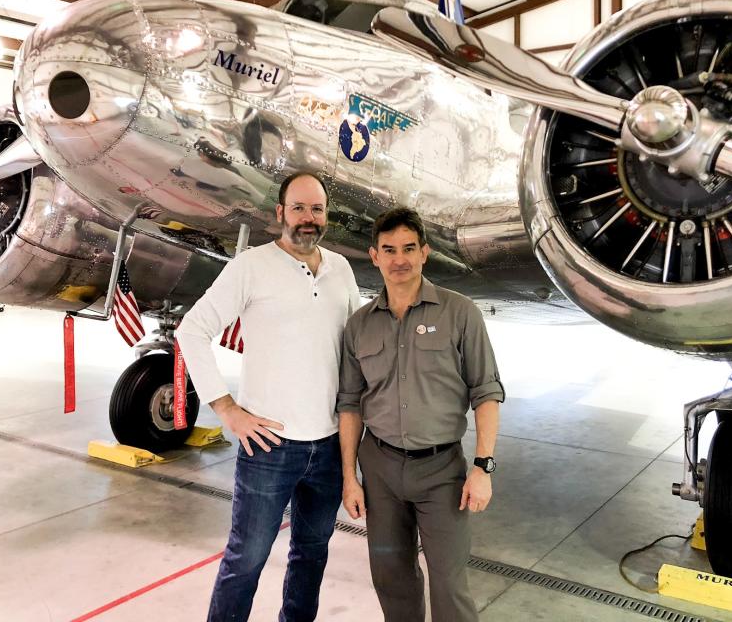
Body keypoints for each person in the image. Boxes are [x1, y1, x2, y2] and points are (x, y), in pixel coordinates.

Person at [176, 171, 361, 622]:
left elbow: (360, 345)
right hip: (269, 447)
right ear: (280, 213)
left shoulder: (341, 269)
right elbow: (192, 330)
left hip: (331, 447)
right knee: (246, 561)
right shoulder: (250, 266)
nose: (308, 218)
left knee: (310, 556)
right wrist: (227, 409)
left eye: (316, 209)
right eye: (298, 208)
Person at [337, 207, 504, 622]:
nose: (400, 260)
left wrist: (483, 466)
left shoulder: (460, 313)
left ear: (425, 252)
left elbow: (487, 392)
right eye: (389, 250)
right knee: (391, 577)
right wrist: (348, 479)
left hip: (441, 470)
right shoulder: (359, 326)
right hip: (379, 468)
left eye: (409, 248)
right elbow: (350, 404)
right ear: (374, 256)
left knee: (448, 583)